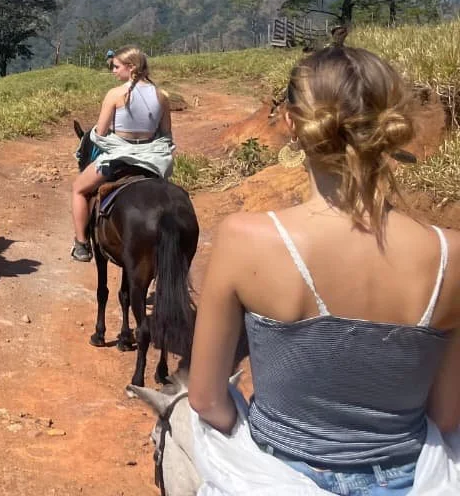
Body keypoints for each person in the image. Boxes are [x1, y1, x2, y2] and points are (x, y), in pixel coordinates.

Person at [188, 42, 460, 495]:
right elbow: (447, 415)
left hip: (279, 472)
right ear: (389, 126)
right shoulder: (451, 254)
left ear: (293, 124)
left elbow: (206, 399)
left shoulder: (244, 239)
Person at [69, 45, 173, 261]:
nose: (113, 71)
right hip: (152, 159)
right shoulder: (162, 95)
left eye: (116, 67)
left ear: (131, 67)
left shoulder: (115, 94)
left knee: (79, 189)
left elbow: (99, 133)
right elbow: (165, 135)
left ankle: (81, 244)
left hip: (119, 157)